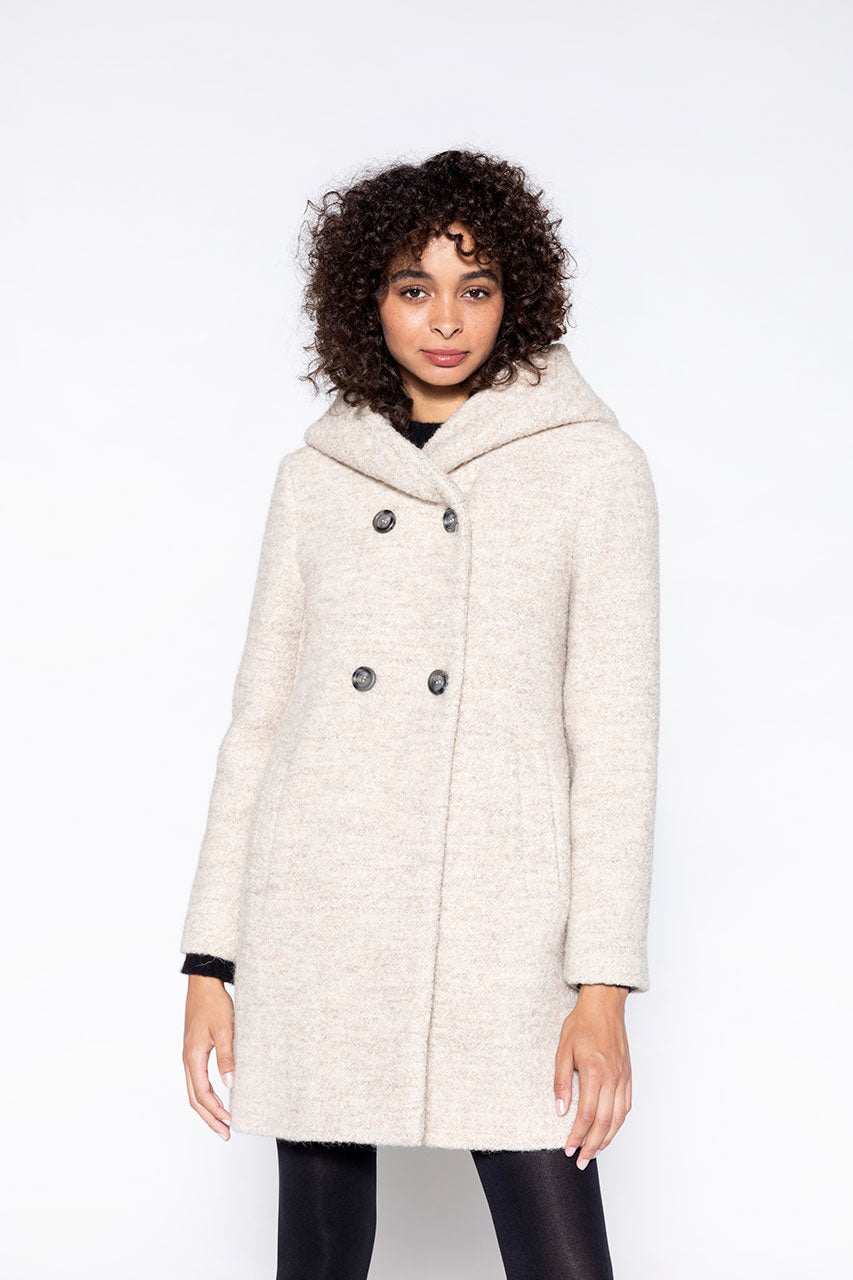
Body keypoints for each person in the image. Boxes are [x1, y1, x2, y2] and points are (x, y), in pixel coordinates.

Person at [180, 148, 660, 1280]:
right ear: (369, 299)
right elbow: (258, 722)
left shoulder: (593, 469)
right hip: (320, 907)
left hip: (505, 918)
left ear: (515, 296)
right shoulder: (316, 476)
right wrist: (210, 959)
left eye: (475, 287)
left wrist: (600, 988)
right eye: (414, 287)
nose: (445, 320)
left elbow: (616, 742)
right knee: (317, 1260)